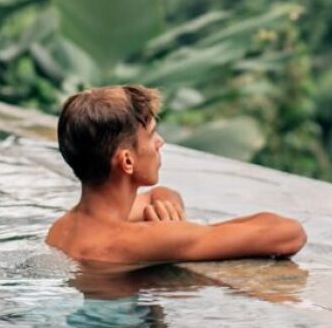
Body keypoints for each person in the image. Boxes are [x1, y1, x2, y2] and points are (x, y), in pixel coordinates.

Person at [45, 84, 307, 267]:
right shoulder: (136, 241)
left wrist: (167, 206)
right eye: (151, 135)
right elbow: (289, 234)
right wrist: (178, 232)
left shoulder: (63, 228)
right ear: (127, 160)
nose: (160, 142)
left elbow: (157, 196)